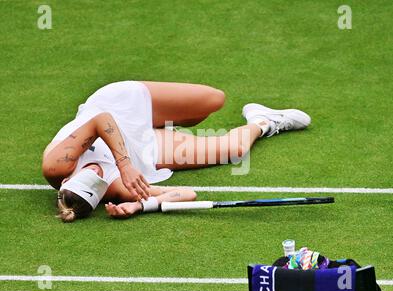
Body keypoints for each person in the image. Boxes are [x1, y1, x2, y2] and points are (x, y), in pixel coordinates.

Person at [42, 81, 311, 222]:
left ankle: (163, 117)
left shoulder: (57, 166)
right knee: (233, 150)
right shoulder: (116, 188)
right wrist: (139, 205)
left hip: (121, 107)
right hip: (146, 149)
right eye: (99, 178)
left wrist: (123, 165)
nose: (97, 170)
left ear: (66, 181)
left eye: (88, 172)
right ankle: (264, 121)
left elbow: (103, 120)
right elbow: (186, 194)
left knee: (213, 100)